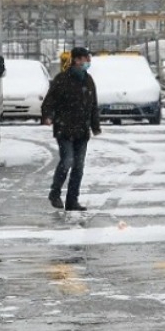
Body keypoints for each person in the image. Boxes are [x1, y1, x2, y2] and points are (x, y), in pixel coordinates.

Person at [41, 46, 101, 211]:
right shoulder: (62, 79)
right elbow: (50, 101)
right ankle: (55, 193)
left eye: (87, 59)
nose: (86, 62)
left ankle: (72, 200)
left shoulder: (88, 81)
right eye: (84, 59)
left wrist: (95, 126)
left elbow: (93, 105)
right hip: (65, 129)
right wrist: (48, 116)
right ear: (75, 60)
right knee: (67, 161)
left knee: (79, 167)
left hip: (82, 130)